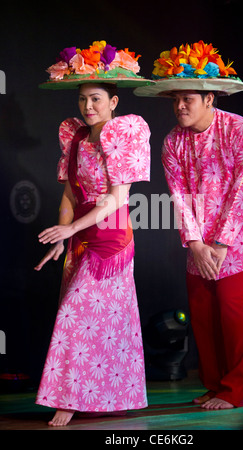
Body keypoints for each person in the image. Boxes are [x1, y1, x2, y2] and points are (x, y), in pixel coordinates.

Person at [134, 40, 243, 410]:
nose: (180, 106)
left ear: (210, 98)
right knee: (201, 310)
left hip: (242, 237)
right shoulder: (171, 143)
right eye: (175, 99)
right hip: (200, 240)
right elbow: (179, 197)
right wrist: (196, 244)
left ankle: (237, 390)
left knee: (233, 310)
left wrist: (222, 244)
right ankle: (215, 385)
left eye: (189, 99)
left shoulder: (242, 131)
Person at [35, 41, 153, 426]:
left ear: (113, 102)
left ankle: (67, 399)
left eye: (97, 99)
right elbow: (70, 192)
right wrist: (62, 235)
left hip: (111, 236)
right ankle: (106, 396)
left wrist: (72, 228)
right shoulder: (75, 138)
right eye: (84, 99)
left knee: (78, 314)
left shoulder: (124, 135)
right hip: (81, 236)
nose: (89, 107)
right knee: (97, 319)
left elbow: (118, 199)